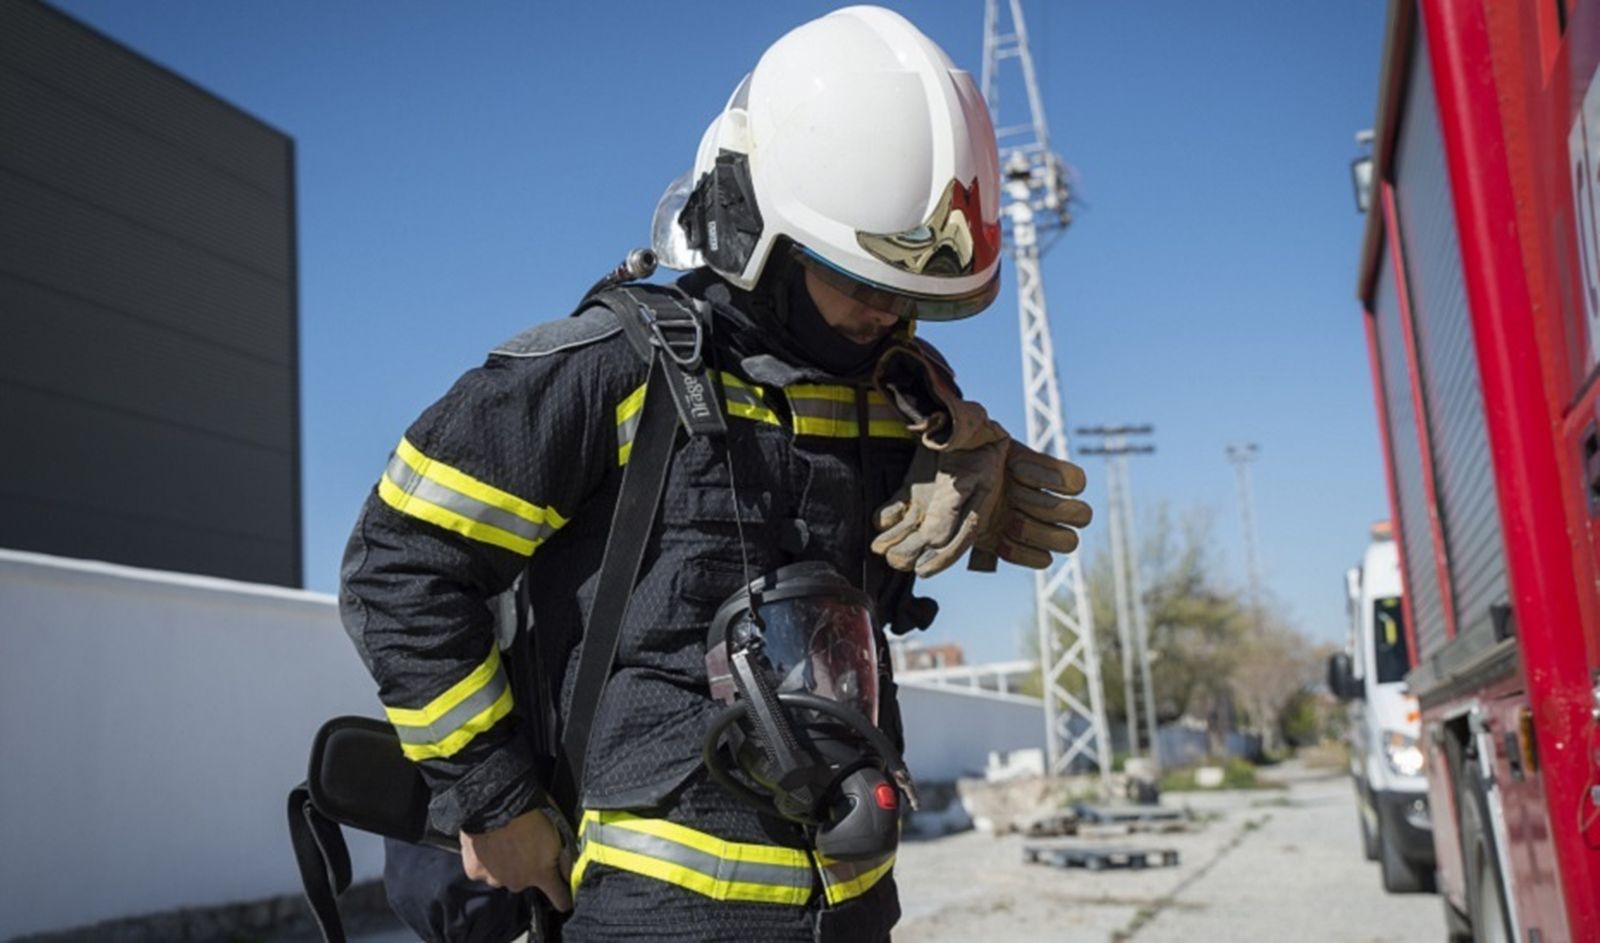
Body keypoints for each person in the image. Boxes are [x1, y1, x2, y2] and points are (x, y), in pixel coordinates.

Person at [338, 7, 1090, 942]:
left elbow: (821, 630)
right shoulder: (607, 371)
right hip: (647, 918)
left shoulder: (898, 394)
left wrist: (937, 465)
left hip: (851, 909)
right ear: (757, 231)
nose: (888, 315)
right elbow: (400, 566)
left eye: (911, 298)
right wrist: (492, 800)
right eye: (863, 282)